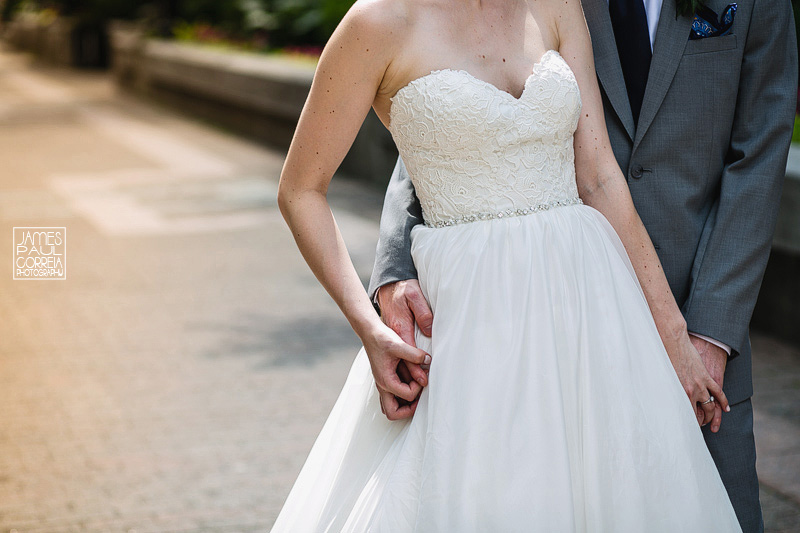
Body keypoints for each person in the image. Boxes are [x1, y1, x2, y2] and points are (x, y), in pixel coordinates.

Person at [272, 0, 768, 528]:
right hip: (468, 328)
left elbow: (598, 176)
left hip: (587, 311)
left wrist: (672, 337)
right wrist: (367, 324)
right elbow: (300, 189)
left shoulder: (557, 6)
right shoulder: (376, 23)